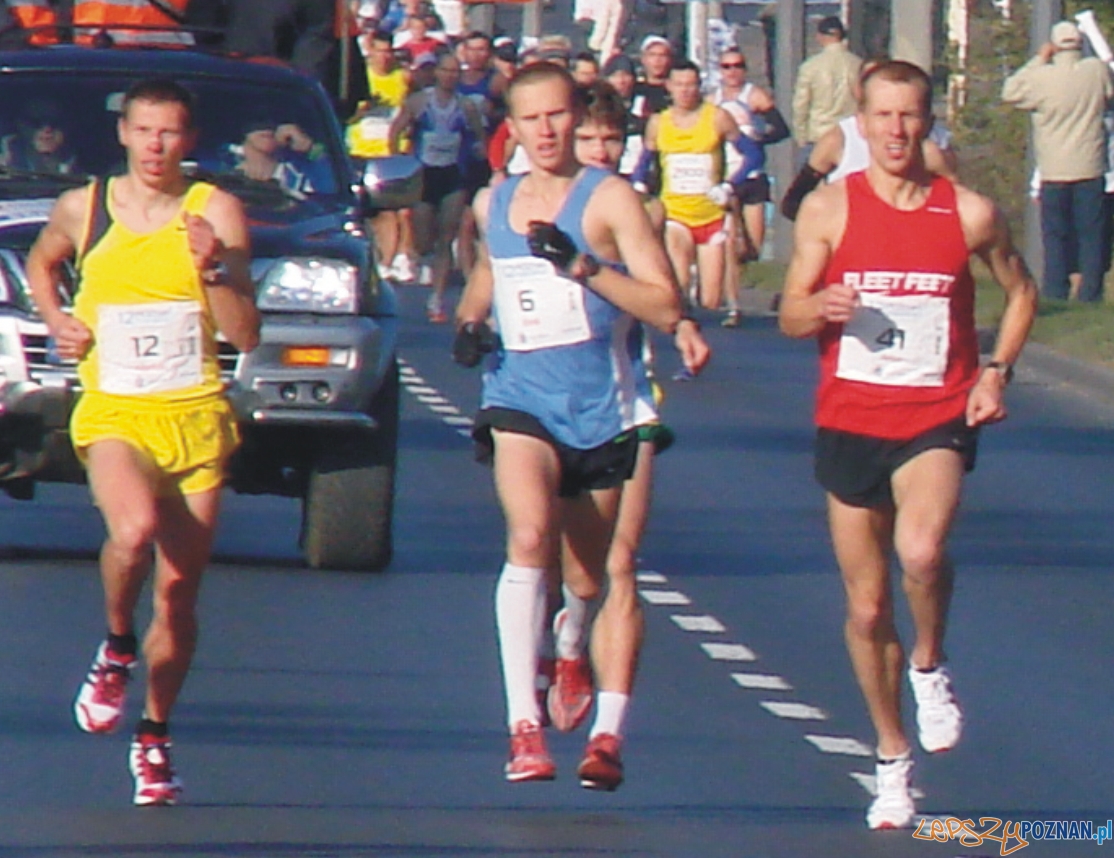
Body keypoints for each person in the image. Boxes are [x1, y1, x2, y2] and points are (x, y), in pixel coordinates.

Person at [778, 61, 1037, 830]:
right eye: (882, 117)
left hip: (936, 412)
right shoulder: (829, 210)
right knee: (864, 608)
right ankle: (892, 757)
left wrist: (995, 373)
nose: (896, 132)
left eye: (911, 116)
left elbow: (1021, 292)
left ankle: (928, 661)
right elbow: (790, 315)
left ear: (930, 122)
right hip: (851, 417)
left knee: (921, 553)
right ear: (860, 122)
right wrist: (819, 305)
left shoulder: (967, 213)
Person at [25, 77, 261, 806]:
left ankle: (154, 736)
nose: (157, 147)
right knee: (132, 532)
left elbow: (246, 333)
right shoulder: (86, 206)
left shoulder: (214, 212)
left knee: (181, 591)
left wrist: (212, 266)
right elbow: (42, 261)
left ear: (189, 141)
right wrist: (56, 318)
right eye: (145, 131)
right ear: (123, 134)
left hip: (193, 414)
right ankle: (117, 645)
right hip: (115, 410)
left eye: (171, 133)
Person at [454, 62, 684, 785]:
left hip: (602, 408)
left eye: (558, 116)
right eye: (532, 120)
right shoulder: (497, 202)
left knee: (589, 576)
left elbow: (666, 305)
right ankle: (524, 727)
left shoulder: (610, 198)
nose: (547, 131)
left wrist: (584, 268)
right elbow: (488, 277)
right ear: (512, 129)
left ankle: (572, 638)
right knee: (528, 536)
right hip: (521, 398)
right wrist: (468, 322)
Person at [541, 80, 708, 790]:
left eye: (613, 141)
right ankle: (570, 636)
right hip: (550, 403)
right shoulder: (527, 204)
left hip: (628, 399)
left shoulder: (636, 209)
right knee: (576, 568)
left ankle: (609, 736)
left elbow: (663, 290)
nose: (603, 151)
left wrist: (688, 328)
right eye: (590, 141)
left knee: (621, 563)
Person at [1003, 20, 1114, 302]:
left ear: (1053, 45)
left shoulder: (1042, 78)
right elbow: (1109, 94)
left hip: (1054, 170)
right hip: (1090, 166)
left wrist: (1039, 59)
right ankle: (1090, 291)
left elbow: (1010, 91)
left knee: (1055, 236)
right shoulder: (1095, 71)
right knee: (1092, 235)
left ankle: (1056, 290)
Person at [642, 60, 756, 314]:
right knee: (679, 286)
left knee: (711, 300)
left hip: (711, 216)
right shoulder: (658, 122)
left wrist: (729, 185)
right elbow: (644, 162)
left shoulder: (717, 117)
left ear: (699, 87)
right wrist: (638, 184)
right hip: (676, 215)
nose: (685, 91)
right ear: (669, 87)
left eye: (691, 85)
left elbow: (754, 156)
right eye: (680, 85)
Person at [781, 58, 958, 222]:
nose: (896, 130)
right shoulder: (839, 138)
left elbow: (957, 204)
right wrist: (833, 228)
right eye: (884, 114)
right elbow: (793, 203)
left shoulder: (934, 139)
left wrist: (943, 170)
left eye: (908, 115)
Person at [389, 50, 485, 321]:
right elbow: (395, 129)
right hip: (424, 176)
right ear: (437, 73)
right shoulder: (420, 102)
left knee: (446, 238)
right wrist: (399, 160)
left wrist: (479, 152)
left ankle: (437, 299)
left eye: (455, 72)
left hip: (452, 176)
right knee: (423, 238)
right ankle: (417, 259)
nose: (450, 76)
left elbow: (479, 136)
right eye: (445, 70)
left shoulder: (466, 106)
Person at [710, 47, 789, 327]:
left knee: (751, 246)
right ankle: (734, 305)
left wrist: (758, 139)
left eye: (738, 66)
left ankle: (737, 268)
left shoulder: (754, 96)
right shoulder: (713, 100)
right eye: (727, 66)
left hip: (752, 176)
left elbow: (781, 129)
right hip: (727, 178)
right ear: (720, 70)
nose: (732, 72)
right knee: (730, 241)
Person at [346, 29, 413, 282]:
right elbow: (345, 113)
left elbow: (411, 111)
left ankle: (389, 261)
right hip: (359, 151)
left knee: (392, 211)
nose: (384, 57)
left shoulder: (403, 78)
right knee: (365, 214)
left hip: (388, 153)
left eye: (388, 52)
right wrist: (362, 111)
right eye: (380, 52)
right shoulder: (360, 78)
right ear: (370, 51)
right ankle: (371, 259)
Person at [791, 16, 862, 157]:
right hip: (848, 133)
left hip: (819, 134)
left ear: (820, 36)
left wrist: (800, 135)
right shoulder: (857, 64)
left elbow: (801, 105)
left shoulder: (810, 66)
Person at [230, 118, 328, 197]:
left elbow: (331, 196)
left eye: (275, 118)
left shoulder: (304, 177)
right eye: (257, 119)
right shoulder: (222, 174)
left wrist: (309, 147)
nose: (266, 127)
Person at [0, 99, 80, 175]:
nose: (47, 129)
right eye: (36, 122)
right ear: (20, 124)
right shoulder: (5, 160)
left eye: (55, 122)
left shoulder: (79, 164)